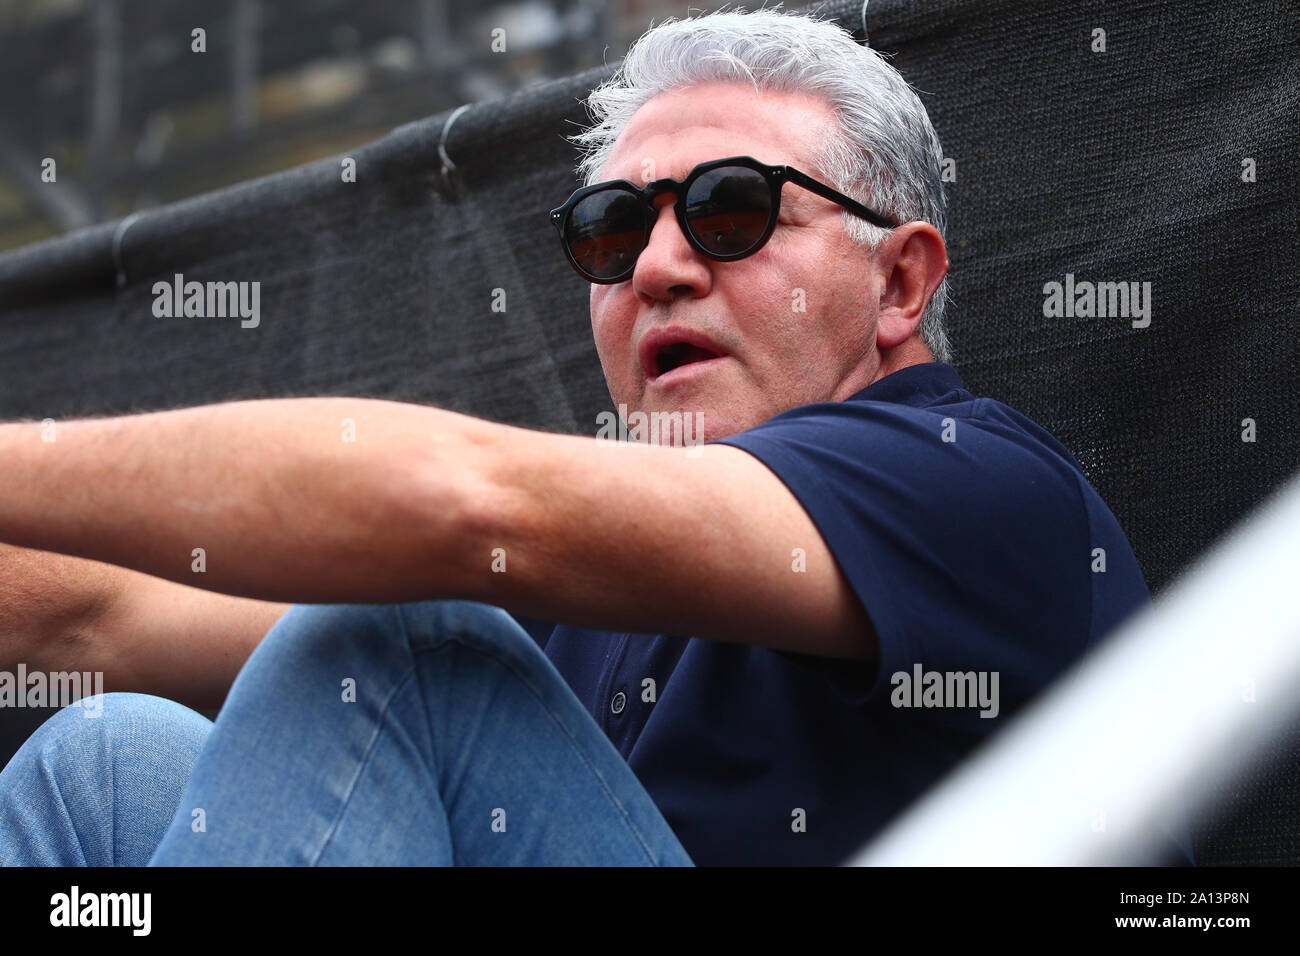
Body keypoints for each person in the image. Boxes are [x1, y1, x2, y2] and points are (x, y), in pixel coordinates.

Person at [0, 8, 1188, 866]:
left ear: (899, 283)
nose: (659, 267)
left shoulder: (974, 481)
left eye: (732, 208)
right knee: (102, 759)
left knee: (404, 628)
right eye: (611, 233)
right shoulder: (580, 598)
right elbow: (91, 618)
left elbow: (464, 508)